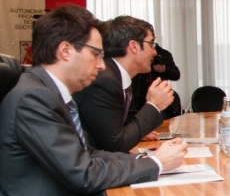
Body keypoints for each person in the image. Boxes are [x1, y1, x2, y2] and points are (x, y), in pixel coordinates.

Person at [0, 4, 187, 196]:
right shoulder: (33, 98)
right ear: (65, 51)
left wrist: (147, 160)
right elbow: (83, 173)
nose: (102, 66)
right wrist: (157, 164)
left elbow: (87, 153)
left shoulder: (47, 92)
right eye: (96, 54)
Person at [74, 16, 175, 152]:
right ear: (133, 46)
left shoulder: (114, 75)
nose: (154, 52)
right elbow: (116, 144)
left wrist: (136, 132)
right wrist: (154, 105)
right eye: (151, 44)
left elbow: (115, 131)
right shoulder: (105, 80)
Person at [132, 43, 182, 119]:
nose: (154, 53)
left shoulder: (164, 54)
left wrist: (165, 69)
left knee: (160, 123)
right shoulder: (138, 54)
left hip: (160, 100)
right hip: (138, 99)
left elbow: (176, 75)